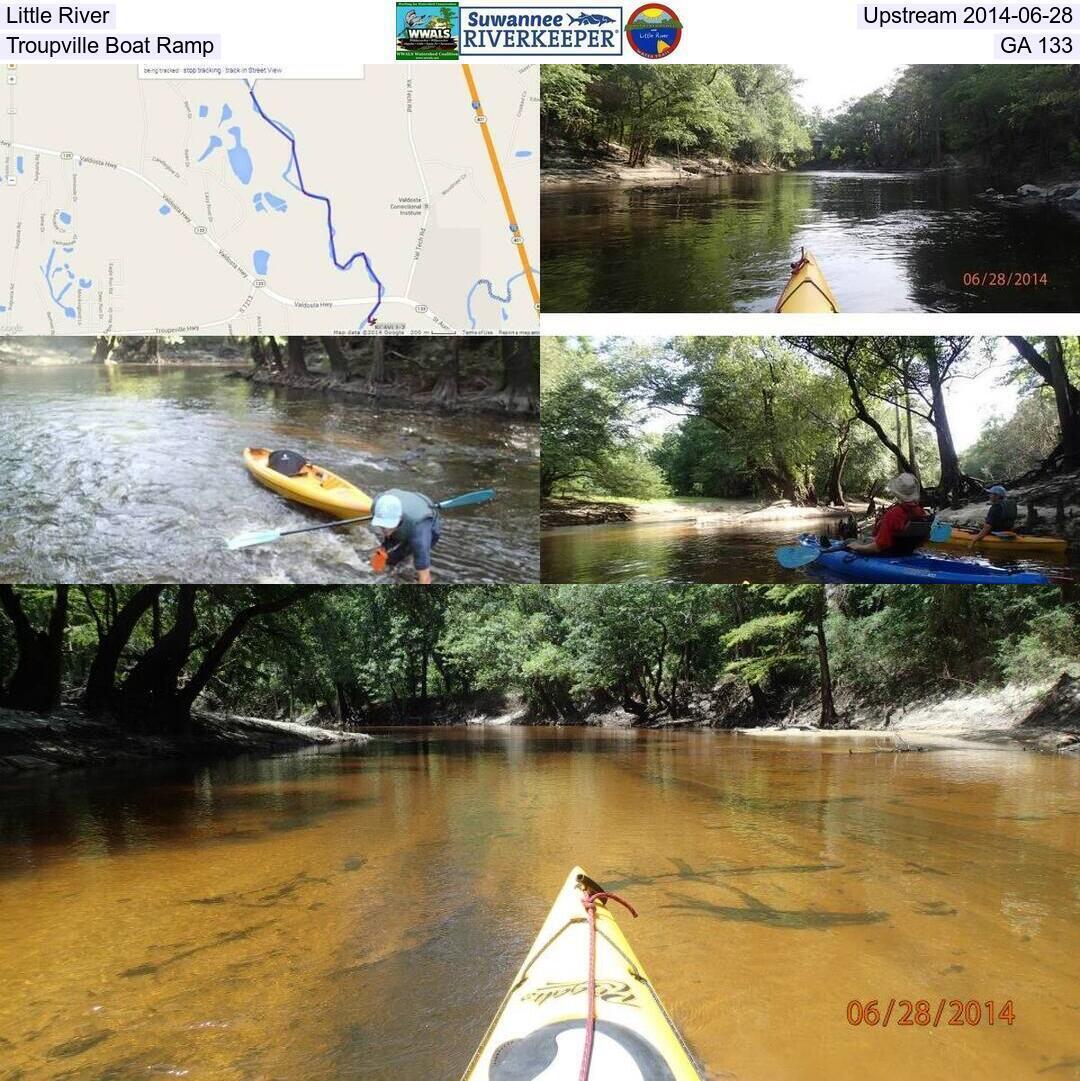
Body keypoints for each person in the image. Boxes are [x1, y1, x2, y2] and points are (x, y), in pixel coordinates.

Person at [843, 473, 931, 556]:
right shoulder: (922, 513)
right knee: (861, 539)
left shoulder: (893, 514)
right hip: (907, 552)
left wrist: (858, 547)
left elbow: (878, 547)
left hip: (888, 554)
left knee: (848, 542)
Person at [368, 489, 441, 584]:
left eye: (389, 526)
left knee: (416, 556)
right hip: (408, 504)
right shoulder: (378, 505)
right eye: (382, 526)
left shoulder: (420, 533)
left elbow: (426, 579)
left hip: (427, 522)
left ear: (400, 518)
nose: (385, 530)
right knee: (389, 558)